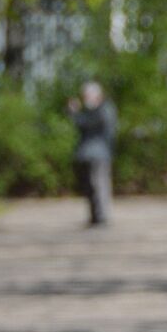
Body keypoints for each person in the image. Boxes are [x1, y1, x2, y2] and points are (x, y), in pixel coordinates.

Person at [67, 81, 117, 226]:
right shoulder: (92, 111)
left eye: (87, 95)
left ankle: (101, 216)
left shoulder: (104, 110)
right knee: (90, 187)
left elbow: (87, 124)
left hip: (99, 155)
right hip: (88, 155)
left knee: (99, 185)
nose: (85, 99)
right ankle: (95, 216)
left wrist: (75, 112)